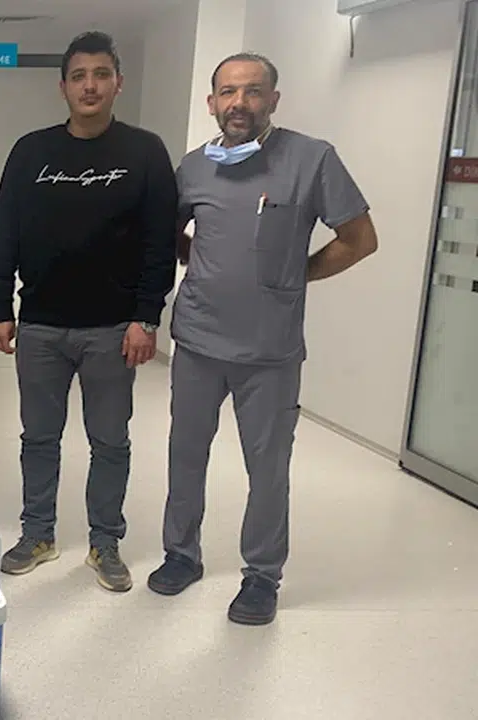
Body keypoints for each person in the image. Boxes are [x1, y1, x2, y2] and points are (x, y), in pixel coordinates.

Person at [147, 53, 378, 625]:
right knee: (185, 454)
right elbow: (166, 231)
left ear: (274, 99)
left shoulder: (311, 159)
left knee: (267, 468)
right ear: (211, 103)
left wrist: (298, 274)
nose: (239, 103)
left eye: (252, 91)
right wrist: (199, 262)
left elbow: (359, 239)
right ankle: (181, 554)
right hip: (198, 341)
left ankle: (261, 576)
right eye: (228, 92)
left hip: (269, 351)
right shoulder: (193, 167)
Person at [0, 31, 177, 591]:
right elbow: (6, 234)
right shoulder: (31, 152)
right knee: (38, 438)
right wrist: (0, 306)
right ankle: (38, 534)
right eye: (78, 76)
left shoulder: (145, 152)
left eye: (100, 75)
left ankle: (105, 542)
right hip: (41, 325)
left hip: (114, 329)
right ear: (63, 86)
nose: (89, 86)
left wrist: (147, 318)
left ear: (118, 83)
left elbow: (159, 244)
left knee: (110, 441)